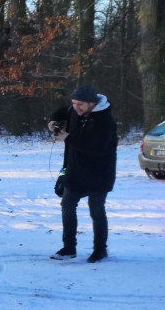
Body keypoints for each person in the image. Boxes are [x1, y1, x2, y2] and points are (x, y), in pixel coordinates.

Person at [47, 85, 117, 262]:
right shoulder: (74, 111)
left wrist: (66, 138)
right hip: (75, 171)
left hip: (99, 173)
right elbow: (62, 112)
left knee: (96, 211)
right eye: (74, 103)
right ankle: (69, 247)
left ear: (92, 104)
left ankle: (100, 249)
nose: (76, 107)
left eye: (80, 105)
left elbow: (95, 148)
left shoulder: (105, 121)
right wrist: (53, 121)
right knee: (67, 206)